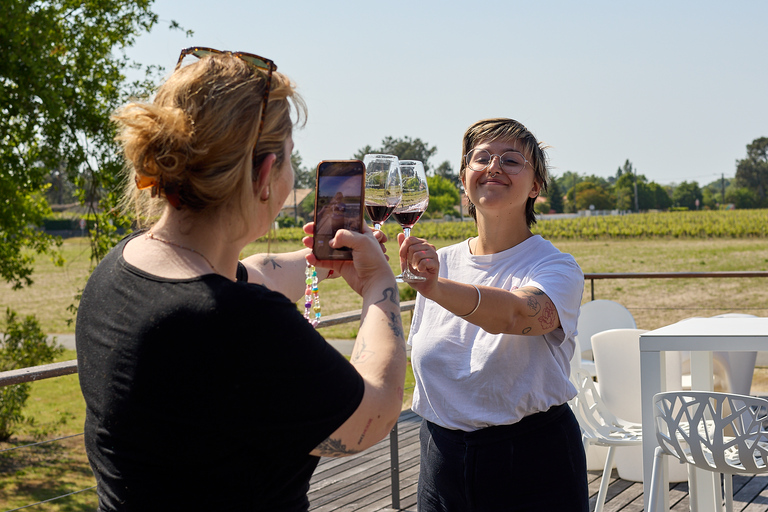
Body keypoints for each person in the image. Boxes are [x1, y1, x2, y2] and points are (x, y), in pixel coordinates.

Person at [76, 47, 406, 512]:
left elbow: (250, 276)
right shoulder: (241, 322)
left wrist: (322, 261)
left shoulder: (123, 267)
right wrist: (380, 288)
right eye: (291, 159)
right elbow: (375, 413)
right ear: (266, 175)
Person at [398, 118, 588, 511]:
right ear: (464, 179)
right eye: (481, 157)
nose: (494, 166)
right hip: (440, 459)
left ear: (536, 186)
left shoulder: (556, 267)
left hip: (534, 461)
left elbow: (518, 315)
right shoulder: (440, 263)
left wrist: (436, 288)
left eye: (512, 160)